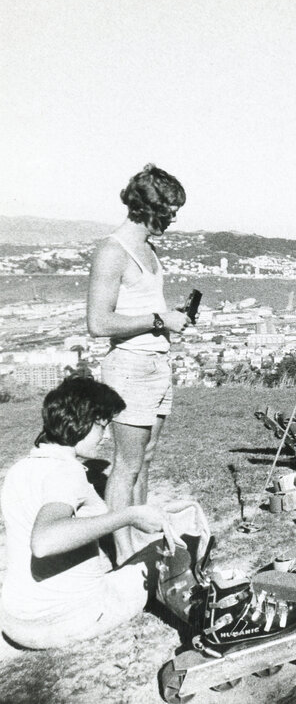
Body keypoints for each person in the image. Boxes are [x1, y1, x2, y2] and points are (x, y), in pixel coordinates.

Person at [0, 378, 181, 649]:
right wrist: (128, 516)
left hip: (16, 621)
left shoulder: (20, 469)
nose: (105, 436)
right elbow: (44, 541)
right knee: (183, 540)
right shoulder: (66, 472)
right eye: (103, 425)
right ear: (81, 421)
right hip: (66, 620)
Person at [87, 164, 189, 561]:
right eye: (170, 211)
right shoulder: (113, 251)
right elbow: (98, 323)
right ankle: (122, 551)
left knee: (145, 457)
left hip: (155, 365)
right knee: (126, 465)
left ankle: (141, 536)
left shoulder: (148, 248)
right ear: (149, 207)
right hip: (128, 367)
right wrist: (160, 320)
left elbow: (142, 307)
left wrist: (166, 320)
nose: (174, 219)